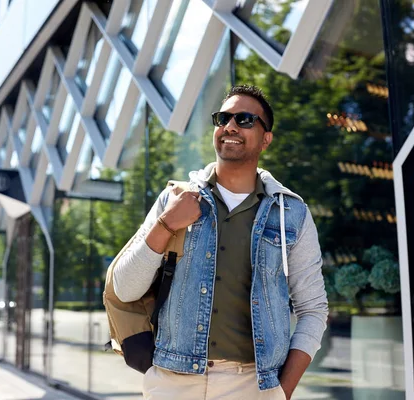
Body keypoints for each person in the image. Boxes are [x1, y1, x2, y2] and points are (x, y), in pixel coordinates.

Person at [113, 85, 328, 400]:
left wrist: (283, 391)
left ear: (266, 138)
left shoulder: (290, 213)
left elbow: (313, 309)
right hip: (173, 382)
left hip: (252, 385)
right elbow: (125, 289)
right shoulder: (175, 199)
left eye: (244, 119)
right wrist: (167, 223)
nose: (230, 126)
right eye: (223, 118)